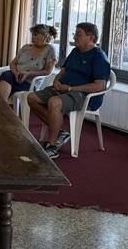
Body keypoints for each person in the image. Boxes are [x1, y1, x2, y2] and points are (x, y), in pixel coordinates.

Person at [26, 22, 111, 159]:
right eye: (75, 34)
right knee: (32, 98)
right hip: (64, 89)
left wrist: (71, 88)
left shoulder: (99, 57)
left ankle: (52, 145)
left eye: (78, 34)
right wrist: (56, 80)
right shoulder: (75, 51)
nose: (75, 37)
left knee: (54, 102)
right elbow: (63, 70)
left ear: (90, 37)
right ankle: (60, 132)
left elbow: (100, 86)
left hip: (83, 96)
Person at [0, 25, 58, 101]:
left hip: (30, 82)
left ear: (45, 36)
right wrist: (16, 74)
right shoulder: (26, 47)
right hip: (15, 77)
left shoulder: (50, 50)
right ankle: (4, 104)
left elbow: (47, 71)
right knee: (6, 75)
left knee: (5, 82)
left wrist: (28, 73)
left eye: (35, 34)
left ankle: (2, 105)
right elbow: (13, 63)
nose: (33, 37)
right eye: (32, 34)